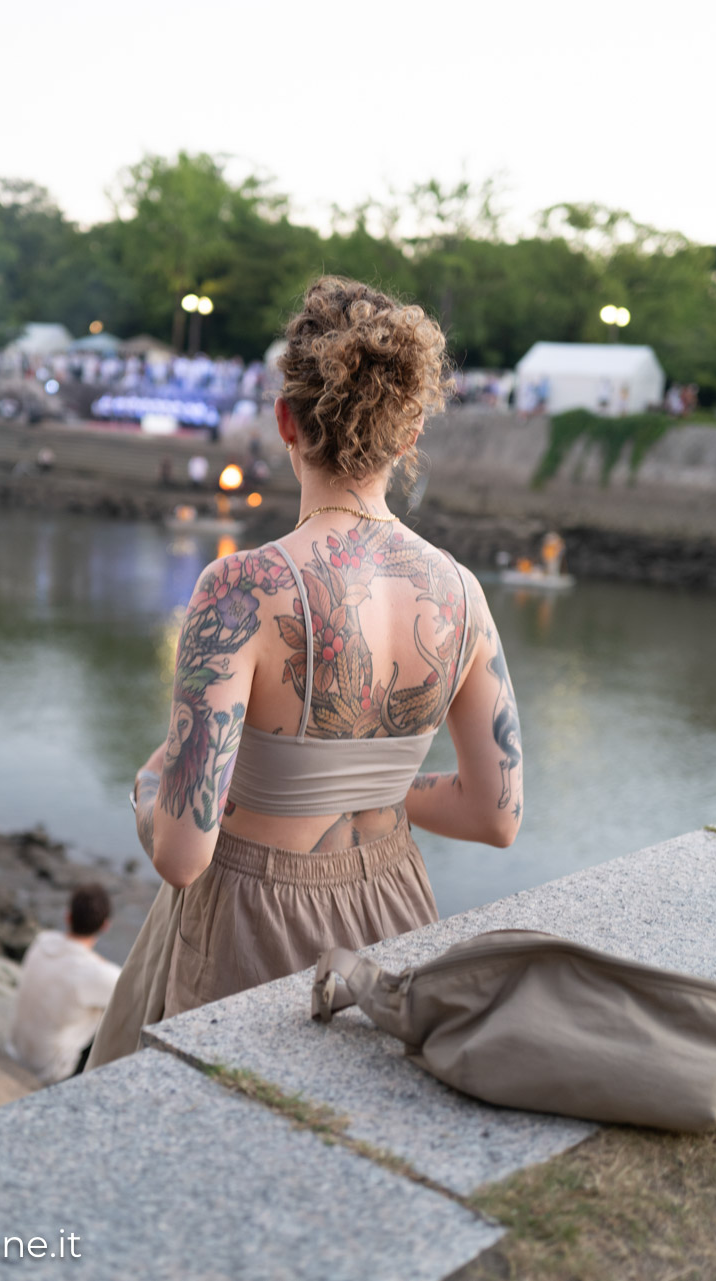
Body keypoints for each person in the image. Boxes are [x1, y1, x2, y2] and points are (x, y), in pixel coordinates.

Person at [90, 277, 525, 1066]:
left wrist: (151, 785)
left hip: (254, 922)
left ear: (285, 420)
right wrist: (376, 787)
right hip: (396, 908)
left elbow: (183, 853)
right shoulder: (462, 593)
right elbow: (496, 814)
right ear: (410, 433)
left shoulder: (240, 589)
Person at [6, 885, 122, 1083]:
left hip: (14, 1050)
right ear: (105, 926)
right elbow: (130, 990)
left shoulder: (42, 941)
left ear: (67, 916)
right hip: (51, 1070)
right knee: (114, 1010)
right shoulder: (99, 974)